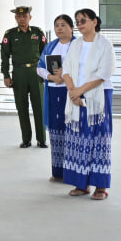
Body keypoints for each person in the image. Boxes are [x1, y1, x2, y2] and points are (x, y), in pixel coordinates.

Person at [61, 9, 116, 200]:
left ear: (94, 22)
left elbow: (104, 72)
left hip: (99, 96)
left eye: (83, 20)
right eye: (77, 21)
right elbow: (66, 69)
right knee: (79, 138)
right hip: (75, 95)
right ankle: (81, 184)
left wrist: (80, 91)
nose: (79, 24)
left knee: (99, 138)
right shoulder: (75, 44)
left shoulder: (104, 44)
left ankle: (101, 187)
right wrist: (72, 91)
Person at [1, 5, 47, 148]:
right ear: (16, 18)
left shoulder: (38, 33)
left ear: (30, 17)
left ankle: (41, 139)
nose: (21, 19)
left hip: (35, 72)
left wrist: (46, 73)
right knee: (22, 107)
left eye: (24, 16)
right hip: (19, 73)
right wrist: (6, 75)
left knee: (39, 106)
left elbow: (45, 54)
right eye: (19, 17)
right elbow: (4, 56)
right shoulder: (10, 34)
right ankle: (26, 139)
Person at [38, 14, 76, 182]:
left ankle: (72, 172)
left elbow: (83, 69)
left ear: (71, 27)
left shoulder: (78, 45)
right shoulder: (50, 46)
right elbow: (40, 67)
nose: (59, 28)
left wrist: (66, 75)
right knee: (55, 130)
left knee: (72, 130)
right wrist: (51, 77)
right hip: (53, 92)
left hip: (71, 92)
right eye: (57, 25)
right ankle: (58, 171)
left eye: (63, 25)